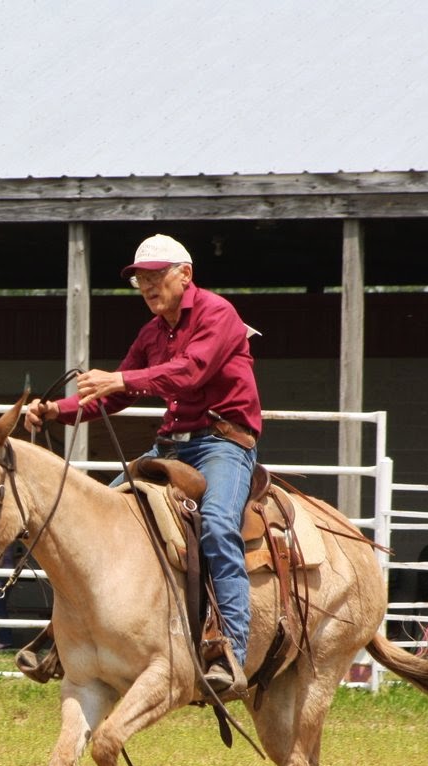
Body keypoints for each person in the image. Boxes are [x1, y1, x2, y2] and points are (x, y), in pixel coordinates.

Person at [23, 233, 263, 699]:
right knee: (97, 515)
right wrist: (57, 410)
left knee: (216, 525)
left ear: (185, 275)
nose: (148, 287)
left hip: (224, 445)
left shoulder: (218, 314)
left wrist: (119, 378)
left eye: (155, 276)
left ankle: (229, 649)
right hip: (170, 446)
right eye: (141, 280)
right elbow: (120, 394)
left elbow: (190, 371)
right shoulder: (152, 333)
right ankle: (63, 636)